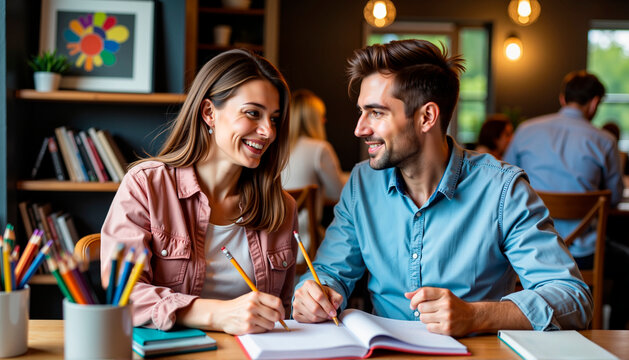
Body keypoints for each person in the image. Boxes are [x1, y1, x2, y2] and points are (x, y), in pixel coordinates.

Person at [292, 39, 592, 336]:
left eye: (377, 113)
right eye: (362, 112)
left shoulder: (502, 189)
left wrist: (475, 315)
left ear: (427, 117)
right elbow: (329, 272)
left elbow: (573, 298)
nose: (360, 128)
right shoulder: (362, 184)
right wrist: (316, 294)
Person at [100, 49, 298, 335]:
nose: (268, 131)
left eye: (275, 119)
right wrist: (216, 314)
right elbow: (124, 294)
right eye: (252, 113)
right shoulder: (146, 185)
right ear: (209, 113)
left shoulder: (282, 207)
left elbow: (285, 313)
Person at [504, 71, 624, 264]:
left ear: (562, 99)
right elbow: (614, 198)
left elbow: (506, 182)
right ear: (594, 103)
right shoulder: (605, 141)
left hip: (530, 246)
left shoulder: (526, 129)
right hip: (583, 255)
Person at [281, 89, 346, 261]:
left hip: (274, 244)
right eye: (321, 116)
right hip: (306, 245)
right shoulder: (320, 149)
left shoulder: (276, 150)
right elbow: (339, 195)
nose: (324, 120)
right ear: (313, 120)